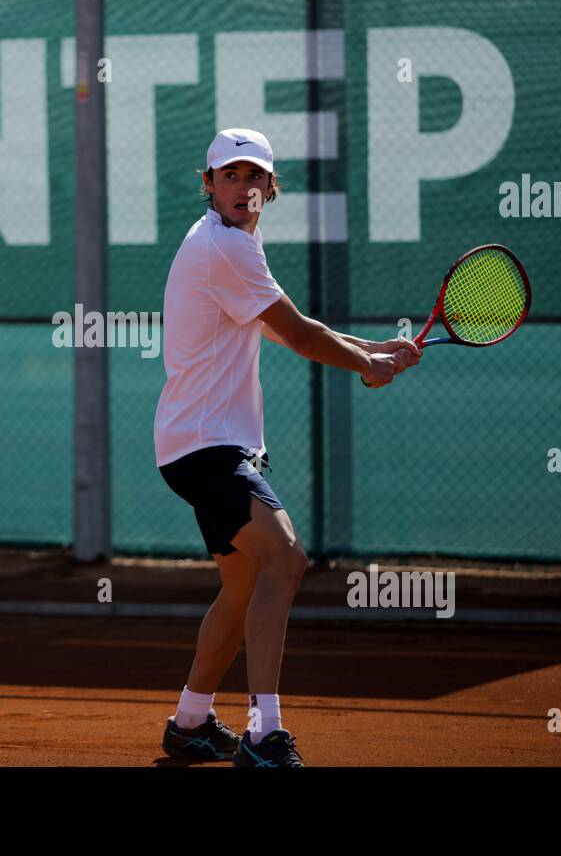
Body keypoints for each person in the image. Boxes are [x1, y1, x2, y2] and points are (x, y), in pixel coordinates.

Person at [156, 127, 420, 767]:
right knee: (289, 560)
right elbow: (299, 335)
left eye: (255, 177)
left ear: (270, 187)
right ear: (209, 183)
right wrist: (365, 366)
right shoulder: (224, 247)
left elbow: (283, 325)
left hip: (201, 446)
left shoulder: (234, 242)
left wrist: (376, 350)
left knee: (244, 587)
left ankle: (190, 721)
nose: (244, 187)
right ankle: (264, 734)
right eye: (230, 176)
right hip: (207, 447)